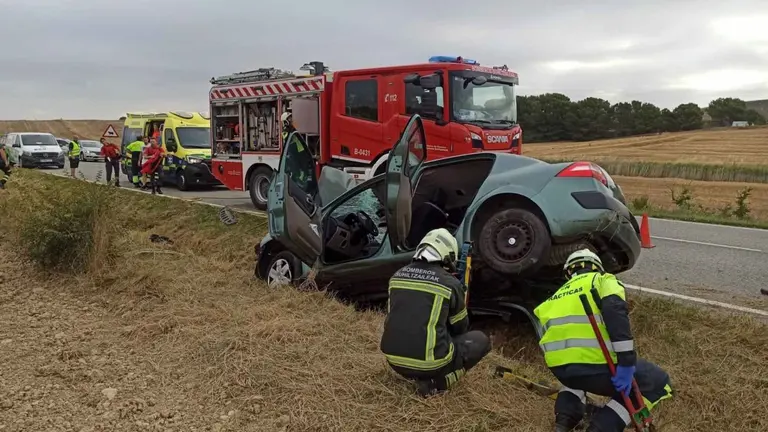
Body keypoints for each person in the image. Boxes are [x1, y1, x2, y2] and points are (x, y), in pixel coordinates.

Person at [533, 249, 674, 432]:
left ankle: (565, 420)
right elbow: (615, 314)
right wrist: (626, 362)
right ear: (597, 268)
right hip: (598, 367)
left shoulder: (552, 299)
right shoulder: (603, 281)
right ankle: (602, 427)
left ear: (569, 273)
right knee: (658, 381)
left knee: (577, 378)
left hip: (562, 371)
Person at [380, 228, 491, 397]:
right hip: (430, 364)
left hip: (394, 361)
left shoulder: (396, 277)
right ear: (447, 254)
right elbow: (460, 328)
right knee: (481, 341)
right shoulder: (450, 284)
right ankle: (437, 384)